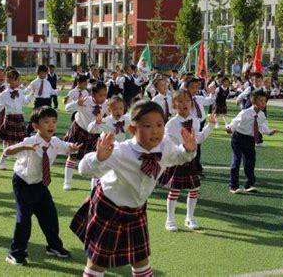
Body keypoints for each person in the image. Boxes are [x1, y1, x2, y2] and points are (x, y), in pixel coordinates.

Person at [70, 100, 197, 277]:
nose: (155, 131)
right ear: (132, 129)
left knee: (141, 258)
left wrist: (188, 151)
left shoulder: (165, 147)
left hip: (136, 210)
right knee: (98, 261)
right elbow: (83, 169)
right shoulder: (122, 151)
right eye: (147, 126)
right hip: (109, 208)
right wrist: (98, 158)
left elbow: (178, 157)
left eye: (159, 124)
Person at [4, 106, 81, 266]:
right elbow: (8, 151)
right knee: (24, 219)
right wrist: (24, 147)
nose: (51, 125)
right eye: (46, 122)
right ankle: (15, 252)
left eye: (53, 121)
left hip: (40, 184)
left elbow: (66, 148)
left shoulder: (54, 142)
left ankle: (54, 246)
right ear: (35, 126)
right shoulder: (30, 141)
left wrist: (72, 148)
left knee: (50, 216)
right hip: (23, 183)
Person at [159, 90, 216, 231]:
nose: (184, 103)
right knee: (175, 189)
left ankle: (190, 217)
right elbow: (167, 144)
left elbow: (200, 138)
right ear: (174, 105)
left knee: (195, 188)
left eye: (187, 101)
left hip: (191, 160)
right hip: (177, 160)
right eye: (180, 101)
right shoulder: (171, 124)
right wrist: (183, 149)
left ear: (191, 104)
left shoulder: (195, 121)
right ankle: (170, 220)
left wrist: (211, 126)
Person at [225, 90, 277, 193]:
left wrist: (269, 132)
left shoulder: (261, 115)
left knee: (250, 162)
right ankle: (233, 185)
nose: (263, 103)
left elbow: (262, 126)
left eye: (265, 101)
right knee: (236, 161)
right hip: (238, 138)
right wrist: (229, 128)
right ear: (253, 101)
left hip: (250, 140)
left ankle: (249, 184)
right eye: (261, 101)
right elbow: (235, 122)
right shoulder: (245, 112)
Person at [63, 81, 108, 190]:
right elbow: (67, 108)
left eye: (105, 95)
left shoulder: (107, 104)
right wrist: (77, 104)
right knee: (73, 155)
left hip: (94, 133)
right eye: (100, 95)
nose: (103, 98)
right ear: (93, 94)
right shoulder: (85, 101)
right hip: (79, 130)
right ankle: (67, 182)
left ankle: (94, 187)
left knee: (96, 160)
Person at [0, 70, 34, 170]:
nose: (19, 82)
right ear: (9, 80)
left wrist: (31, 95)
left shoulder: (20, 92)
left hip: (19, 118)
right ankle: (2, 161)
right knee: (10, 143)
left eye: (19, 80)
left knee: (22, 141)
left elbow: (25, 102)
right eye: (16, 80)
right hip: (10, 118)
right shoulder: (3, 95)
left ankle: (22, 163)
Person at [185, 78, 216, 177]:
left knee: (198, 146)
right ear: (186, 88)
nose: (195, 89)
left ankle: (196, 168)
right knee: (194, 147)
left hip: (200, 123)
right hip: (190, 125)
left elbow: (210, 100)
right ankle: (194, 169)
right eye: (192, 87)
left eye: (197, 87)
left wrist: (212, 92)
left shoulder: (198, 98)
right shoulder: (184, 101)